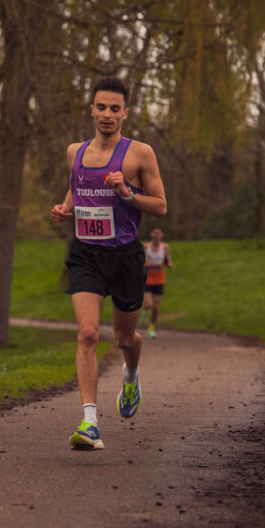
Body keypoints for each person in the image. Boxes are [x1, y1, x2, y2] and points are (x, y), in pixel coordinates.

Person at [50, 76, 167, 450]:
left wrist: (126, 192)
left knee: (123, 338)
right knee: (87, 333)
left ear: (125, 114)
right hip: (86, 253)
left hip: (125, 257)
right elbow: (76, 185)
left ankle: (131, 376)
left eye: (115, 109)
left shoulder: (140, 154)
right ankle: (90, 424)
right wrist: (66, 207)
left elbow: (161, 205)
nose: (107, 114)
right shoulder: (74, 151)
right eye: (101, 107)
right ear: (92, 109)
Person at [142, 226, 172, 339]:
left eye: (159, 233)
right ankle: (144, 312)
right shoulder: (146, 247)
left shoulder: (165, 247)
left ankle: (151, 328)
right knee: (148, 304)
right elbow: (142, 261)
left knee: (156, 308)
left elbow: (169, 261)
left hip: (159, 280)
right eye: (154, 232)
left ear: (161, 235)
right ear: (151, 235)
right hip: (148, 280)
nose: (156, 235)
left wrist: (168, 264)